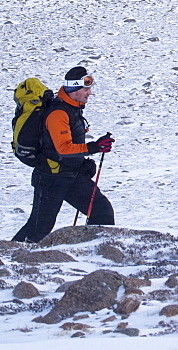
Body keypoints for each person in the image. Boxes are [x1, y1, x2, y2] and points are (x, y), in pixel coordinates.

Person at [13, 66, 115, 242]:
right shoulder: (58, 113)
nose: (89, 93)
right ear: (74, 89)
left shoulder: (73, 108)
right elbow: (63, 148)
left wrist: (82, 163)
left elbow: (64, 147)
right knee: (39, 228)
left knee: (101, 211)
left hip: (71, 175)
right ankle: (9, 258)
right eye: (86, 88)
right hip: (51, 178)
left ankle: (93, 254)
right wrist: (94, 147)